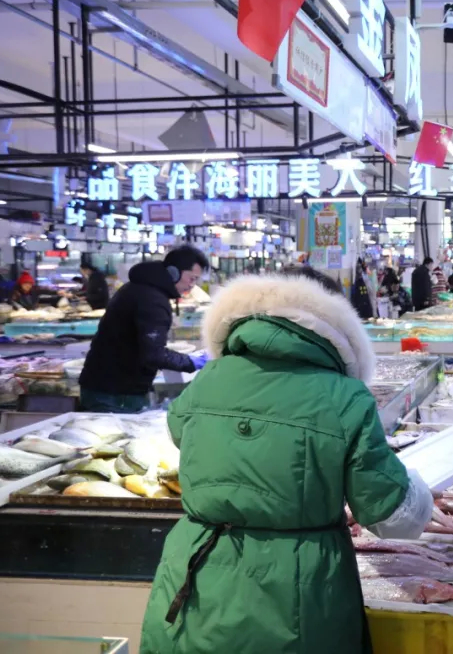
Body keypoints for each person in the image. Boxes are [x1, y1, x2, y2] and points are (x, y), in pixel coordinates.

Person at [140, 268, 434, 654]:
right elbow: (394, 517)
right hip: (297, 591)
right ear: (335, 320)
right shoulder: (346, 398)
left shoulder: (207, 380)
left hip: (194, 575)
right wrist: (420, 491)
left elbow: (185, 436)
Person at [79, 246, 210, 413]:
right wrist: (191, 362)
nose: (192, 286)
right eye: (192, 279)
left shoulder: (139, 288)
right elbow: (153, 354)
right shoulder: (152, 300)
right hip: (114, 394)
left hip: (106, 388)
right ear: (173, 272)